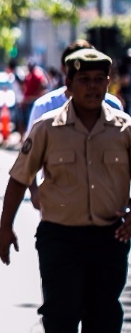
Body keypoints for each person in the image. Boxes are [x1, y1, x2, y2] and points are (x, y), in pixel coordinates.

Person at [0, 48, 131, 333]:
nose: (92, 87)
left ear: (108, 83)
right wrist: (5, 226)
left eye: (99, 80)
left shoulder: (124, 129)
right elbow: (18, 177)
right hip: (61, 240)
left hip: (109, 239)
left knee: (103, 325)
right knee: (61, 315)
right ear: (68, 85)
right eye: (83, 80)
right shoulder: (46, 128)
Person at [25, 40, 124, 209]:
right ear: (67, 73)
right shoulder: (45, 109)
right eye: (84, 77)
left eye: (97, 77)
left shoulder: (115, 110)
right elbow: (27, 161)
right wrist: (34, 193)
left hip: (106, 216)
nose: (91, 86)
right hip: (60, 216)